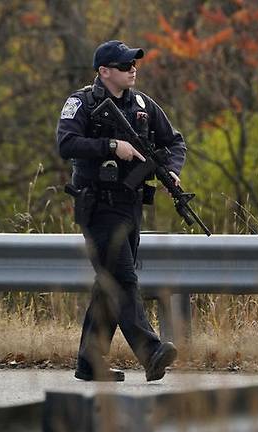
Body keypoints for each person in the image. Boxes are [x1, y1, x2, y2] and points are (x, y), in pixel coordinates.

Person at [56, 40, 186, 382]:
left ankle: (89, 363)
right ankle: (150, 350)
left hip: (130, 207)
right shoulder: (81, 102)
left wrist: (171, 169)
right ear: (104, 71)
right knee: (124, 279)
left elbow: (174, 141)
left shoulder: (143, 105)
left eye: (134, 64)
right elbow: (66, 144)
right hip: (97, 207)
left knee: (108, 284)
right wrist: (112, 146)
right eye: (125, 65)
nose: (133, 69)